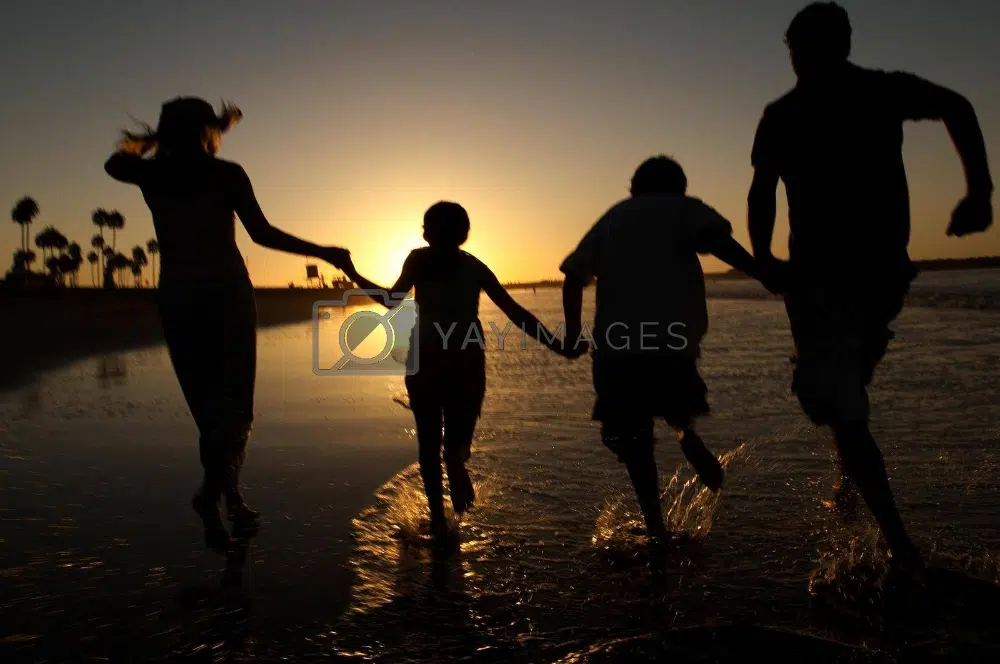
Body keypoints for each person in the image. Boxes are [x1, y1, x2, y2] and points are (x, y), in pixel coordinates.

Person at [748, 3, 993, 569]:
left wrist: (980, 189)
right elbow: (763, 190)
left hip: (841, 277)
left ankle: (900, 546)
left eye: (806, 50)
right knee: (840, 392)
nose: (802, 61)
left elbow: (957, 106)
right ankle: (851, 467)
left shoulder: (854, 96)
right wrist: (762, 257)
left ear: (829, 48)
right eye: (800, 53)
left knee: (828, 399)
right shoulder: (802, 108)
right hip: (854, 276)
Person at [105, 97, 349, 550]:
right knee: (235, 413)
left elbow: (114, 163)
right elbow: (261, 233)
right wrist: (323, 251)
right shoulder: (225, 173)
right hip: (226, 296)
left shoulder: (152, 173)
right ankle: (214, 496)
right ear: (206, 130)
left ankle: (224, 498)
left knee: (213, 416)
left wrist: (147, 144)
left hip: (180, 297)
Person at [342, 202, 573, 544]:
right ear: (465, 234)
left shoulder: (418, 260)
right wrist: (557, 345)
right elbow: (516, 313)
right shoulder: (475, 267)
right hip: (466, 359)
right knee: (459, 432)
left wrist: (352, 271)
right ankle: (457, 460)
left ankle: (438, 521)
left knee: (428, 441)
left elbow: (391, 300)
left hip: (426, 358)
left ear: (427, 232)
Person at [560, 156, 759, 541]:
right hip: (672, 343)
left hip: (617, 346)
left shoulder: (614, 217)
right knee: (677, 402)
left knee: (630, 437)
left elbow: (572, 276)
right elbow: (719, 243)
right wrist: (764, 271)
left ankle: (656, 527)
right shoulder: (685, 208)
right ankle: (688, 436)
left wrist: (572, 333)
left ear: (633, 187)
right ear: (680, 186)